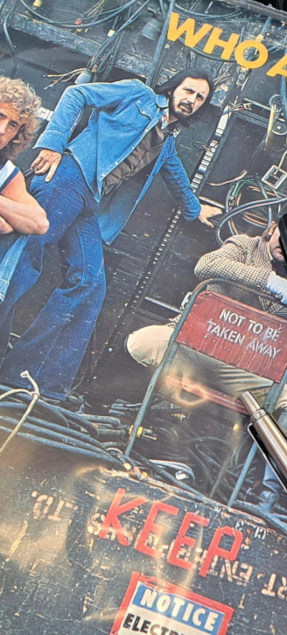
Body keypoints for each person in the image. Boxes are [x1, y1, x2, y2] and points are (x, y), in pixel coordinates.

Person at [0, 70, 222, 402]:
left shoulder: (166, 141)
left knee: (90, 283)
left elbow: (176, 176)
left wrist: (195, 209)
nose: (191, 100)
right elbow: (78, 94)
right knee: (18, 267)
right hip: (67, 178)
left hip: (88, 200)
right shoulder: (139, 95)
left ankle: (36, 381)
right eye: (188, 91)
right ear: (173, 88)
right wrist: (53, 144)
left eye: (199, 98)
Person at [127, 222, 287, 510]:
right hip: (193, 348)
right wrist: (269, 281)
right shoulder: (245, 246)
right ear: (273, 228)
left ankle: (264, 497)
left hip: (242, 369)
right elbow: (207, 265)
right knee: (141, 342)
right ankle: (144, 437)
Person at [0, 77, 48, 302]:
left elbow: (39, 223)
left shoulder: (6, 171)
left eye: (12, 125)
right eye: (1, 116)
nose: (2, 130)